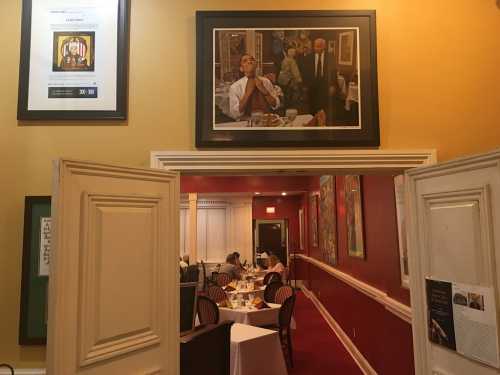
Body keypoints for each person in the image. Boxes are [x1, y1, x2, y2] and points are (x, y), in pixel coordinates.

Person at [229, 54, 280, 120]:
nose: (249, 61)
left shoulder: (266, 81)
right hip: (246, 122)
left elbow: (276, 105)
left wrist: (264, 90)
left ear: (256, 64)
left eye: (252, 59)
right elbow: (235, 113)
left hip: (267, 120)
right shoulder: (235, 87)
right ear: (241, 68)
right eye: (245, 61)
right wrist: (247, 94)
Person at [301, 38, 337, 119]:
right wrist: (305, 86)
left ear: (324, 46)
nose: (316, 48)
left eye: (319, 46)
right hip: (312, 85)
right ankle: (313, 122)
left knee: (324, 107)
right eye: (315, 46)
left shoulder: (330, 56)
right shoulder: (309, 57)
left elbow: (334, 72)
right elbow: (305, 72)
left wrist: (333, 85)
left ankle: (323, 124)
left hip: (325, 85)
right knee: (312, 106)